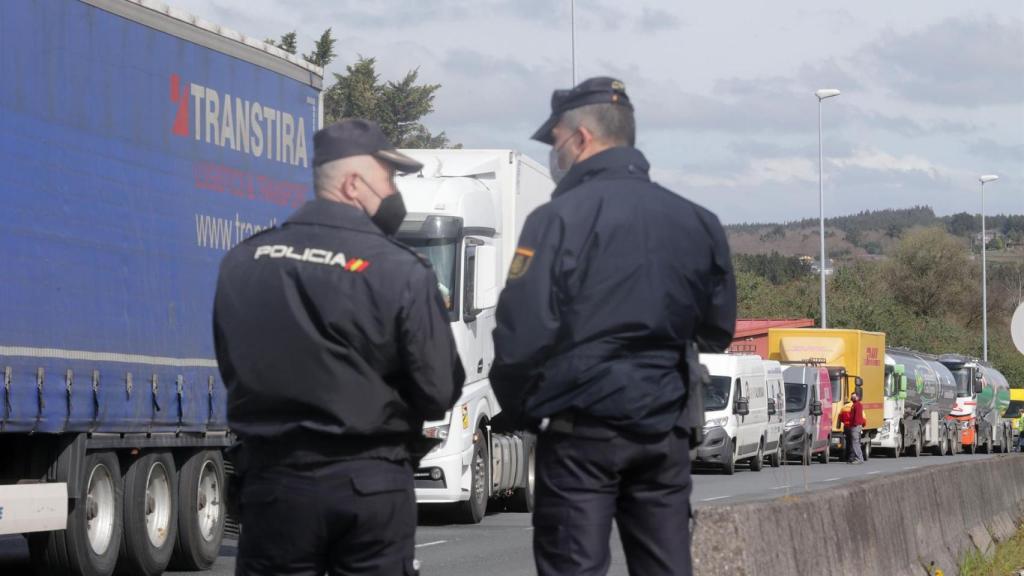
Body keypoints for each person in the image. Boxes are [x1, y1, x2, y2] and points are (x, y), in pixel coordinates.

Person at [490, 77, 737, 576]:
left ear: (581, 138)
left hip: (582, 430)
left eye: (556, 139)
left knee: (574, 566)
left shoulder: (556, 220)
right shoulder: (698, 221)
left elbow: (521, 334)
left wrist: (518, 411)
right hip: (664, 429)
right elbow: (719, 328)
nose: (555, 152)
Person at [212, 119, 465, 576]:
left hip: (274, 484)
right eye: (387, 179)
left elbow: (233, 365)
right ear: (352, 183)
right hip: (369, 484)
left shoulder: (244, 260)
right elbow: (439, 390)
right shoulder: (400, 270)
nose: (393, 193)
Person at [848, 393, 866, 464]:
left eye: (854, 396)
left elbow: (857, 416)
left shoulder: (857, 405)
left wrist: (854, 424)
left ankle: (859, 459)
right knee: (856, 443)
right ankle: (858, 458)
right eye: (852, 396)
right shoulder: (854, 404)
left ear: (857, 397)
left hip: (856, 426)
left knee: (855, 443)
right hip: (855, 426)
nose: (852, 397)